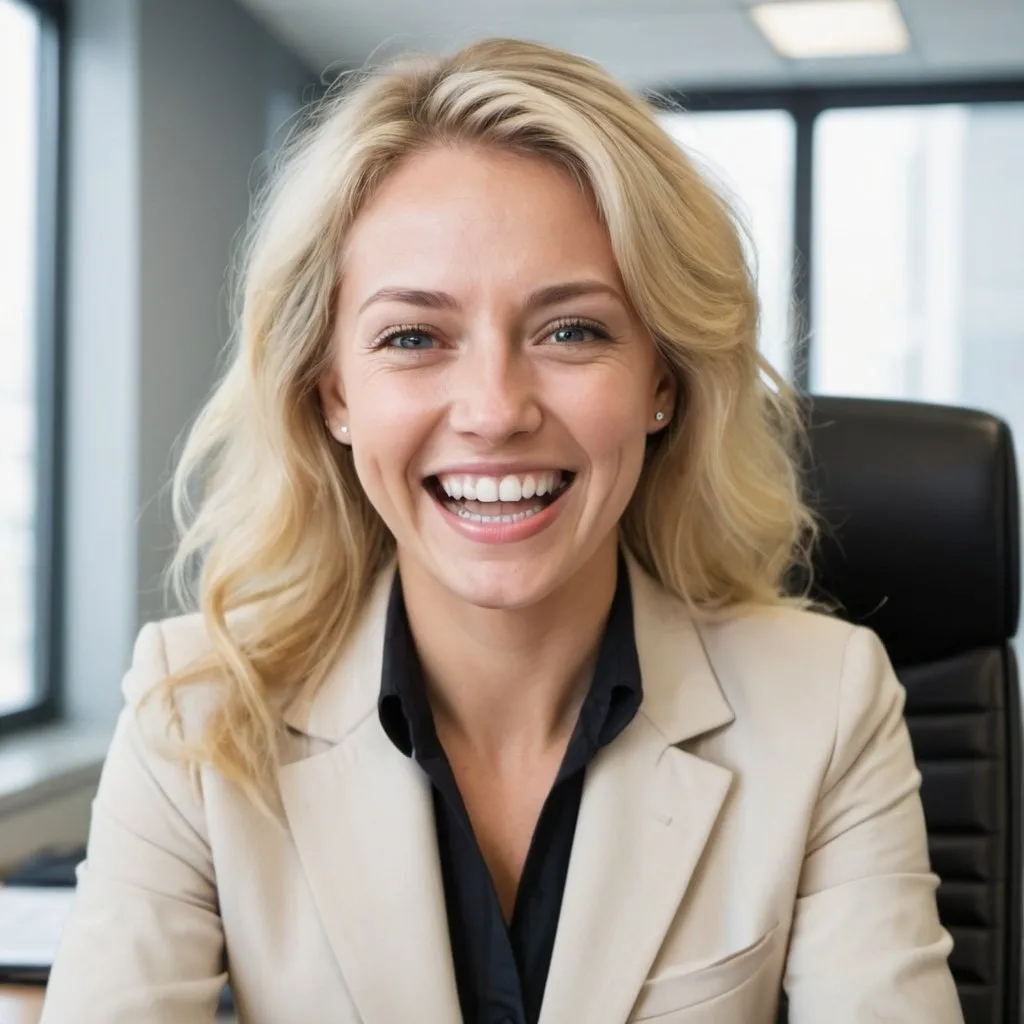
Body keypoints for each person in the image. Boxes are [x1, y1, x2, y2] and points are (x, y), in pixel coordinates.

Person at [41, 37, 963, 1024]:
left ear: (662, 380)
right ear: (333, 394)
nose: (493, 408)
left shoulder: (821, 702)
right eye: (412, 337)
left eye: (572, 330)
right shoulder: (196, 712)